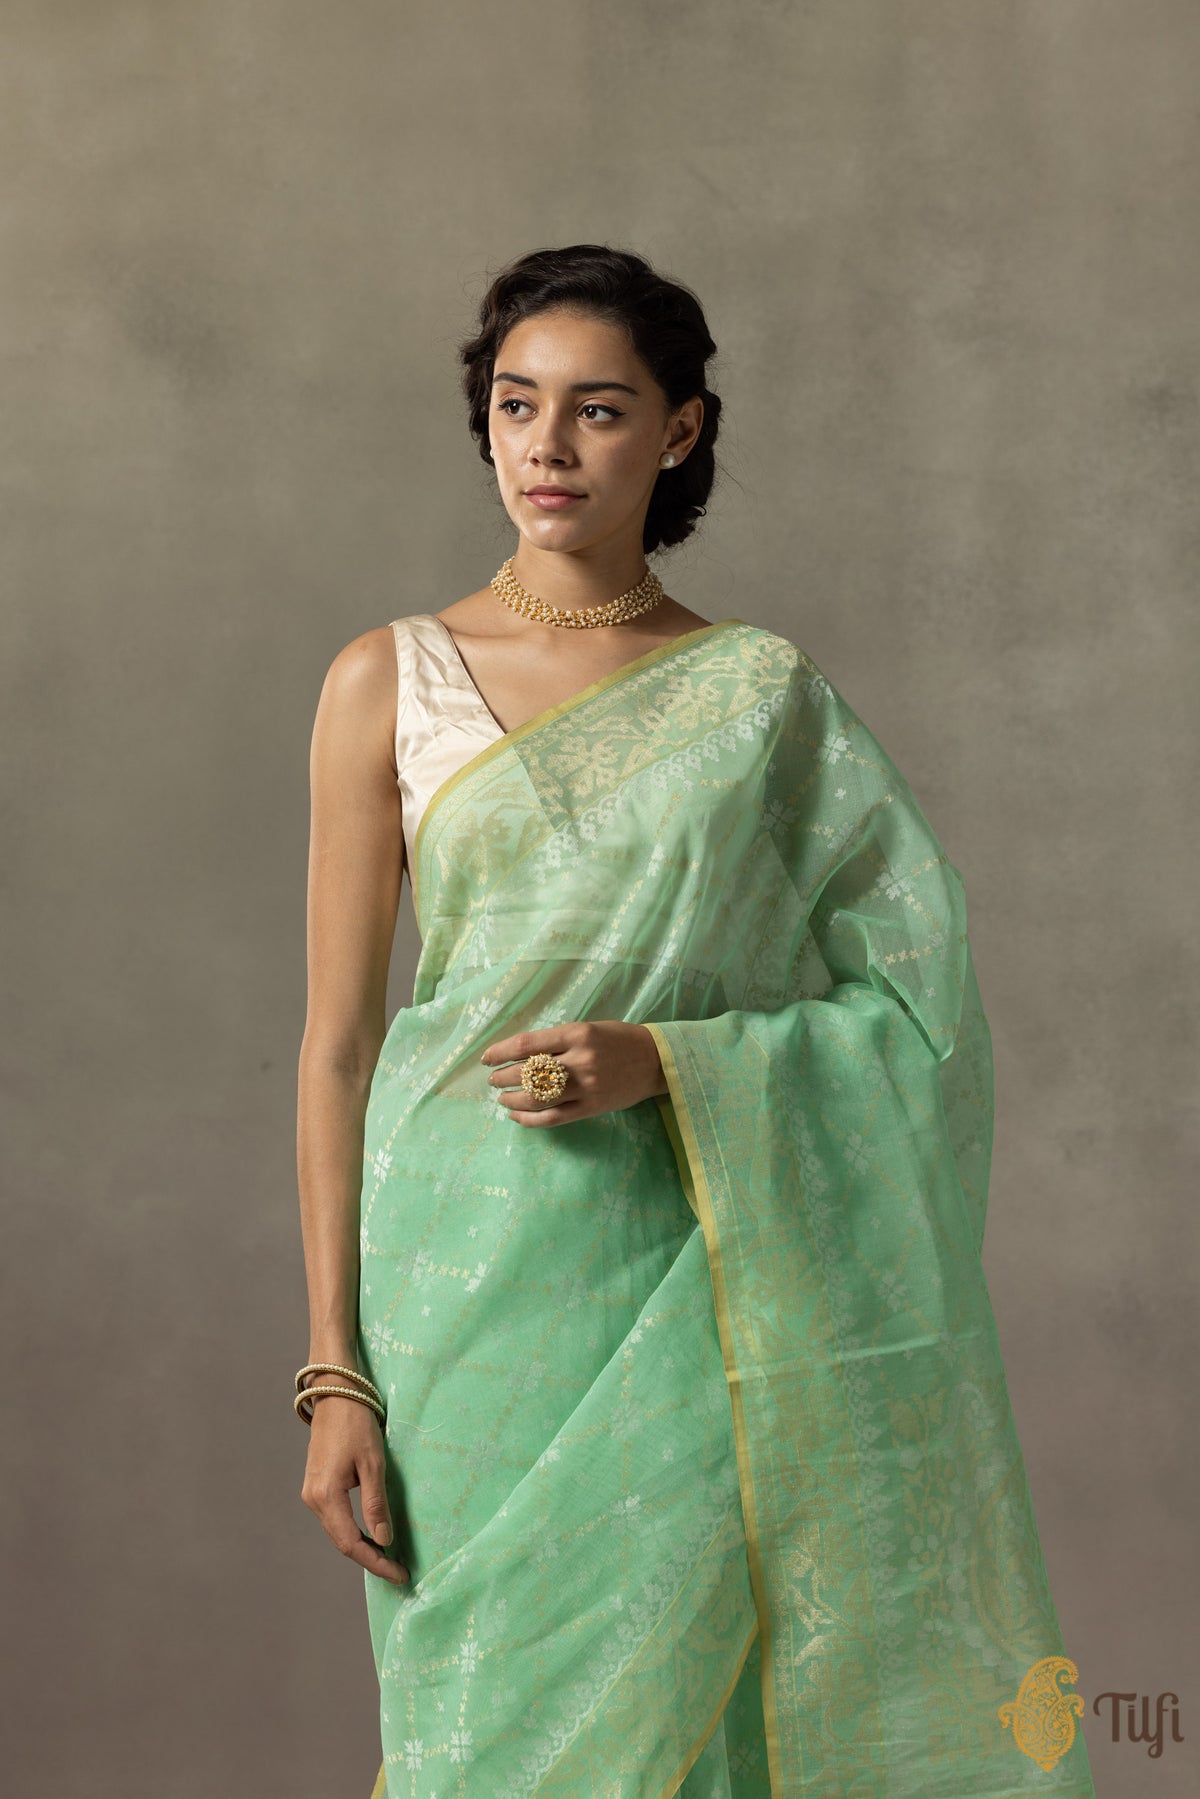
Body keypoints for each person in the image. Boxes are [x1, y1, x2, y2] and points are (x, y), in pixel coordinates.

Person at [294, 244, 1097, 1798]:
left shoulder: (756, 698)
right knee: (487, 1728)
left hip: (693, 1270)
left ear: (679, 431)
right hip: (460, 1279)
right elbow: (337, 1048)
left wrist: (670, 1062)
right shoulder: (387, 680)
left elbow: (916, 998)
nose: (546, 445)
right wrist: (336, 1371)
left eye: (597, 410)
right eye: (516, 404)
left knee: (687, 1697)